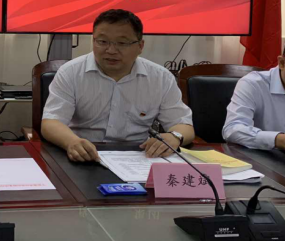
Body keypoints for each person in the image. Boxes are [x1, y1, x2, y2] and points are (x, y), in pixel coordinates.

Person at [41, 9, 194, 162]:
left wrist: (175, 137)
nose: (111, 50)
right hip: (84, 155)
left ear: (140, 46)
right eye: (102, 41)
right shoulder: (71, 72)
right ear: (93, 41)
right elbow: (51, 121)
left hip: (139, 156)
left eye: (122, 43)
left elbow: (183, 125)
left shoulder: (160, 78)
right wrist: (72, 142)